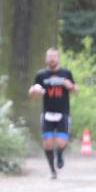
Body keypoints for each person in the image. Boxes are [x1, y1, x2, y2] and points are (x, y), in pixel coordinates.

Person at [28, 48, 77, 179]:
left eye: (54, 56)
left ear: (58, 58)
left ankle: (60, 154)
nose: (52, 59)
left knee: (61, 143)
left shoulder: (66, 73)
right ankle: (52, 171)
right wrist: (34, 91)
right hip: (47, 113)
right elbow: (32, 92)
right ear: (46, 59)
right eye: (49, 56)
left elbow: (75, 90)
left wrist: (69, 86)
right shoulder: (41, 75)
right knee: (48, 143)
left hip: (63, 113)